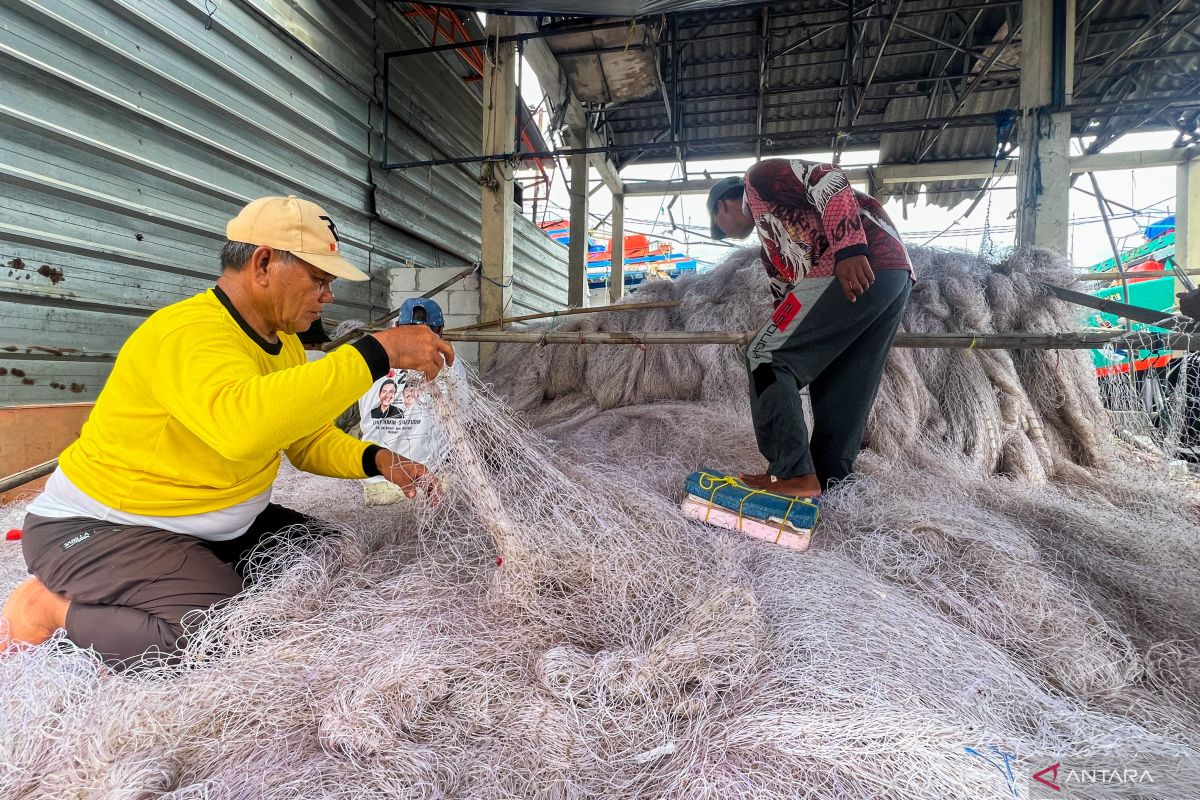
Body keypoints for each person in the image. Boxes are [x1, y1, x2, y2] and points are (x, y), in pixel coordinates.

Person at [1, 195, 455, 665]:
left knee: (327, 555)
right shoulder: (187, 333)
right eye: (319, 279)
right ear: (263, 263)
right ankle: (48, 608)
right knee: (216, 634)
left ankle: (187, 573)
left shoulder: (287, 347)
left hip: (215, 523)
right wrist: (377, 353)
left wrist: (379, 461)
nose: (328, 295)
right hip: (108, 528)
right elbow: (243, 427)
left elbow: (306, 439)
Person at [708, 160, 914, 497]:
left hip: (856, 262)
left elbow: (827, 177)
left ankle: (790, 474)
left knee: (765, 356)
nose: (725, 232)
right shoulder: (770, 250)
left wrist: (850, 248)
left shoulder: (759, 180)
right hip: (892, 276)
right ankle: (829, 476)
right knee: (841, 379)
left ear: (723, 205)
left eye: (720, 226)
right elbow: (786, 303)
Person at [359, 298, 468, 506]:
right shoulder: (449, 362)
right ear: (441, 332)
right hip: (429, 482)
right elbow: (461, 416)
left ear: (398, 327)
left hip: (378, 482)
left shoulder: (372, 358)